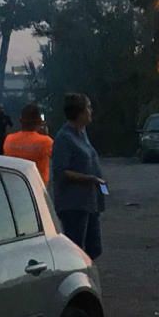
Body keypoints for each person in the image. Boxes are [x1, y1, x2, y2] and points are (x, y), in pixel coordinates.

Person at [51, 93, 106, 260]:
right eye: (88, 107)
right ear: (79, 112)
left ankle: (88, 274)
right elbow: (62, 171)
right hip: (74, 204)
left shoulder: (82, 133)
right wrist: (90, 179)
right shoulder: (64, 138)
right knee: (76, 247)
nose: (91, 111)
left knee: (94, 247)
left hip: (90, 202)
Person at [3, 103, 54, 184]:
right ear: (40, 122)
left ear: (20, 121)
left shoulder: (9, 139)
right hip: (37, 188)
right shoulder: (46, 141)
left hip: (13, 186)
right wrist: (45, 134)